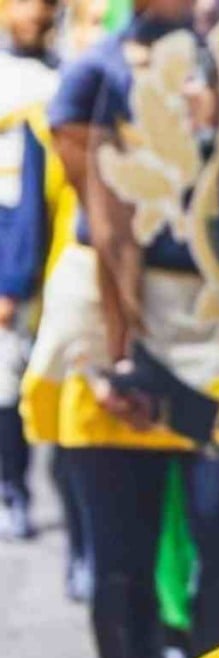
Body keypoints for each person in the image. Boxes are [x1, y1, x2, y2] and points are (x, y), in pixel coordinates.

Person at [43, 0, 219, 658]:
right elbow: (102, 222)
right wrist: (119, 357)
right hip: (122, 334)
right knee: (121, 574)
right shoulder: (94, 72)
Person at [0, 0, 60, 540]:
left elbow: (27, 201)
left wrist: (13, 279)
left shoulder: (51, 83)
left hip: (30, 261)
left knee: (13, 387)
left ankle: (13, 487)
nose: (33, 14)